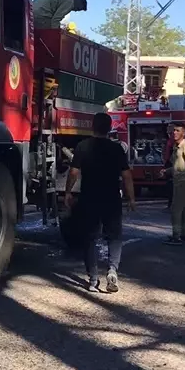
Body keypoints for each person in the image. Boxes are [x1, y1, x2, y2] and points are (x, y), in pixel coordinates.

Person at [65, 111, 137, 293]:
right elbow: (126, 175)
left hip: (89, 198)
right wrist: (131, 198)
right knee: (114, 237)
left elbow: (73, 172)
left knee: (89, 238)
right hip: (112, 198)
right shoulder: (117, 149)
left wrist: (68, 192)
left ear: (92, 127)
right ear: (110, 128)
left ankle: (93, 279)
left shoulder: (82, 147)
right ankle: (112, 270)